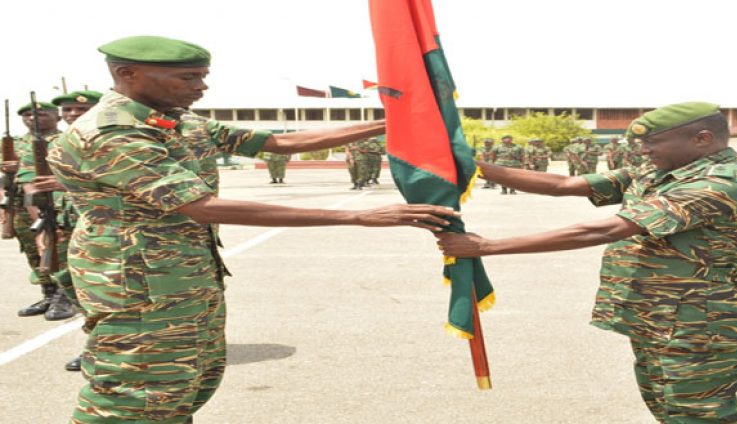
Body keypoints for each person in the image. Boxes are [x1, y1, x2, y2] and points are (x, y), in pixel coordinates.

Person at [47, 35, 458, 423]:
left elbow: (281, 143)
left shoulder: (176, 120)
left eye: (203, 75)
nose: (202, 86)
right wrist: (356, 216)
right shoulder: (112, 130)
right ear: (128, 74)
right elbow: (200, 207)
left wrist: (394, 122)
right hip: (136, 282)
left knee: (181, 386)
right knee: (134, 393)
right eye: (189, 77)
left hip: (182, 275)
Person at [437, 102, 737, 424]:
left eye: (652, 142)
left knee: (701, 412)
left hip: (699, 320)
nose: (643, 150)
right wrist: (471, 167)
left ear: (702, 139)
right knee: (667, 406)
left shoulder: (723, 183)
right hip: (661, 314)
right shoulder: (662, 171)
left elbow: (609, 228)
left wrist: (487, 246)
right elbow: (564, 184)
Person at [39, 90, 103, 371]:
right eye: (68, 111)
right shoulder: (57, 143)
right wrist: (41, 224)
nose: (73, 115)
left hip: (105, 228)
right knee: (77, 287)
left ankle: (101, 349)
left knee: (104, 294)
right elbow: (35, 185)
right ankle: (96, 345)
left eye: (80, 110)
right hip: (66, 225)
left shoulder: (113, 138)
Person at [7, 101, 76, 320]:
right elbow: (21, 180)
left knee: (65, 255)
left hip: (68, 206)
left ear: (56, 118)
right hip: (27, 204)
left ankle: (65, 297)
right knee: (37, 252)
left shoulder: (67, 140)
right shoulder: (15, 143)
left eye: (39, 114)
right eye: (26, 115)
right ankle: (50, 293)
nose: (31, 118)